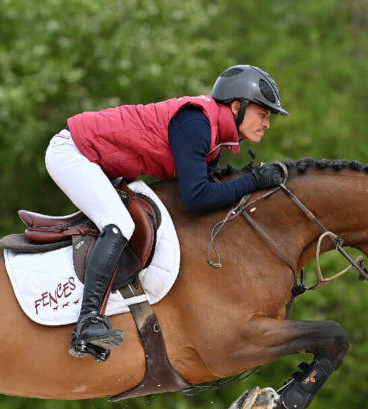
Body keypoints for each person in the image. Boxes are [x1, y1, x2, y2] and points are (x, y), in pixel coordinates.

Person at [46, 64, 289, 362]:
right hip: (73, 152)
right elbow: (196, 198)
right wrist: (254, 180)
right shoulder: (197, 124)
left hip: (100, 163)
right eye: (263, 114)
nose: (267, 123)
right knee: (120, 222)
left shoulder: (214, 139)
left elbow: (204, 196)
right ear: (237, 106)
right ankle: (87, 322)